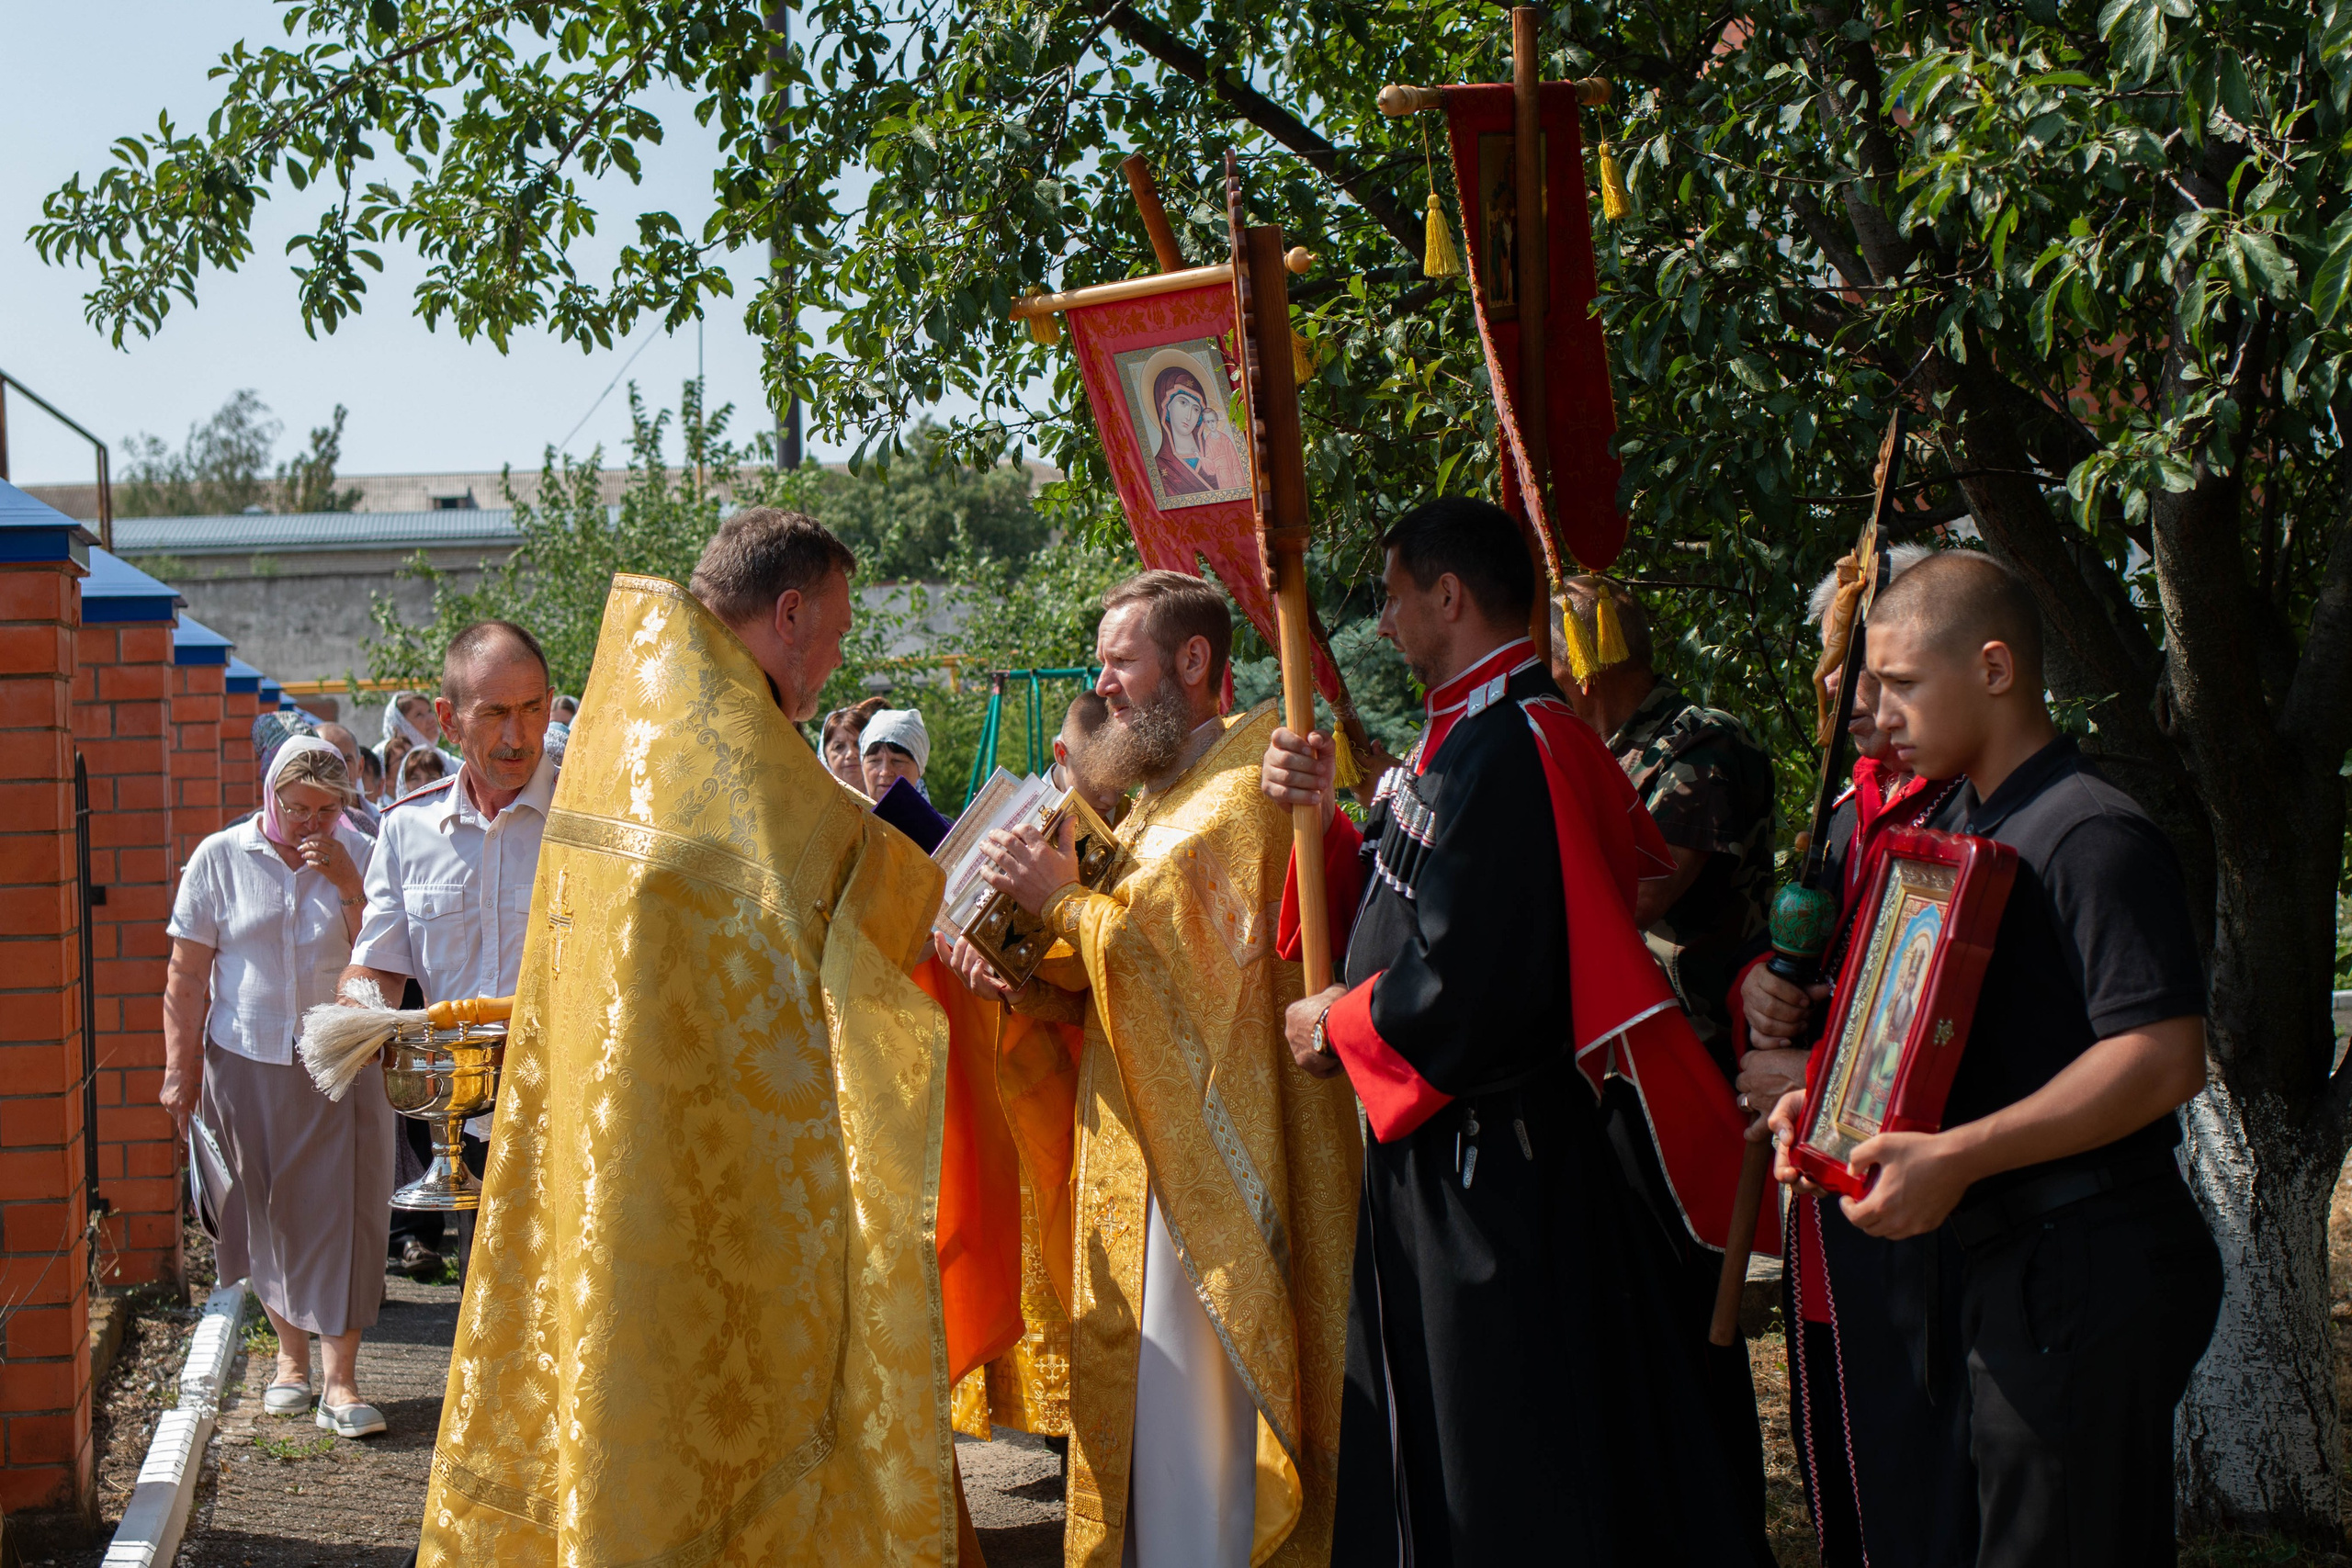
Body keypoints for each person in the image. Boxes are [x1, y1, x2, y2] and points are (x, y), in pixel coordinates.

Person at [413, 511, 978, 1566]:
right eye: (840, 627)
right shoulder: (727, 751)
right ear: (791, 613)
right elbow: (846, 897)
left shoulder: (644, 723)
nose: (841, 657)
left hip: (621, 1161)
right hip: (717, 1191)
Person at [1260, 497, 1755, 1564]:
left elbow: (1474, 983)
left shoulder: (1519, 744)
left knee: (1502, 1461)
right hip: (1446, 1150)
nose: (1382, 625)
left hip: (1493, 1160)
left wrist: (1341, 1022)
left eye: (1393, 599)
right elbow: (1404, 896)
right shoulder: (1470, 732)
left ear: (1449, 596)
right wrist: (1321, 819)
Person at [1766, 550, 2222, 1567]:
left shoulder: (2087, 831)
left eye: (1902, 683)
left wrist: (1962, 1155)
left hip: (2084, 1255)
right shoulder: (1962, 826)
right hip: (1996, 1259)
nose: (1876, 710)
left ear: (1996, 668)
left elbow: (2160, 1057)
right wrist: (1826, 1107)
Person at [966, 569, 1361, 1566]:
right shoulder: (1157, 804)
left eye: (1120, 662)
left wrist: (1062, 903)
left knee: (1200, 1440)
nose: (1103, 689)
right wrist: (1030, 982)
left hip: (1214, 1186)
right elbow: (1117, 992)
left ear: (1193, 662)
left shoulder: (1242, 797)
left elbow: (1188, 994)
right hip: (1144, 1157)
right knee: (1150, 1434)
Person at [1732, 543, 1975, 1568]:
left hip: (1923, 1213)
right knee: (1846, 1476)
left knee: (1925, 1488)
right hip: (1824, 1200)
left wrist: (1820, 1073)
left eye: (1874, 675)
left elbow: (1946, 1018)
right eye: (1837, 670)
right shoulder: (1847, 810)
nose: (1845, 694)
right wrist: (1757, 981)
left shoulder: (1962, 810)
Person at [1552, 574, 1778, 1562]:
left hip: (1691, 1060)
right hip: (1613, 1068)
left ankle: (1715, 1522)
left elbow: (1641, 891)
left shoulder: (1694, 743)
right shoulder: (1596, 749)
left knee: (1692, 1314)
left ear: (1585, 650)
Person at [162, 738, 392, 1438]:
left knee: (344, 1209)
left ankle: (341, 1380)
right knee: (266, 1208)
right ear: (272, 795)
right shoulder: (221, 857)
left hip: (340, 1058)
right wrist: (180, 1069)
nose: (311, 823)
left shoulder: (368, 850)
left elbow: (386, 952)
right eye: (298, 807)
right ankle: (290, 1361)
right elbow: (187, 973)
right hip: (244, 1057)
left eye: (327, 809)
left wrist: (351, 885)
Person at [857, 705, 931, 800]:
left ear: (919, 770)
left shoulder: (930, 816)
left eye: (897, 761)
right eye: (874, 761)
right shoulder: (840, 814)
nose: (885, 772)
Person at [376, 689, 440, 791]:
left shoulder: (447, 760)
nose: (432, 718)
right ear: (401, 725)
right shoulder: (382, 758)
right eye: (419, 714)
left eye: (429, 711)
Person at [820, 694, 888, 794]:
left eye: (858, 744)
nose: (851, 754)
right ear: (825, 757)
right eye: (839, 747)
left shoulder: (894, 802)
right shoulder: (814, 805)